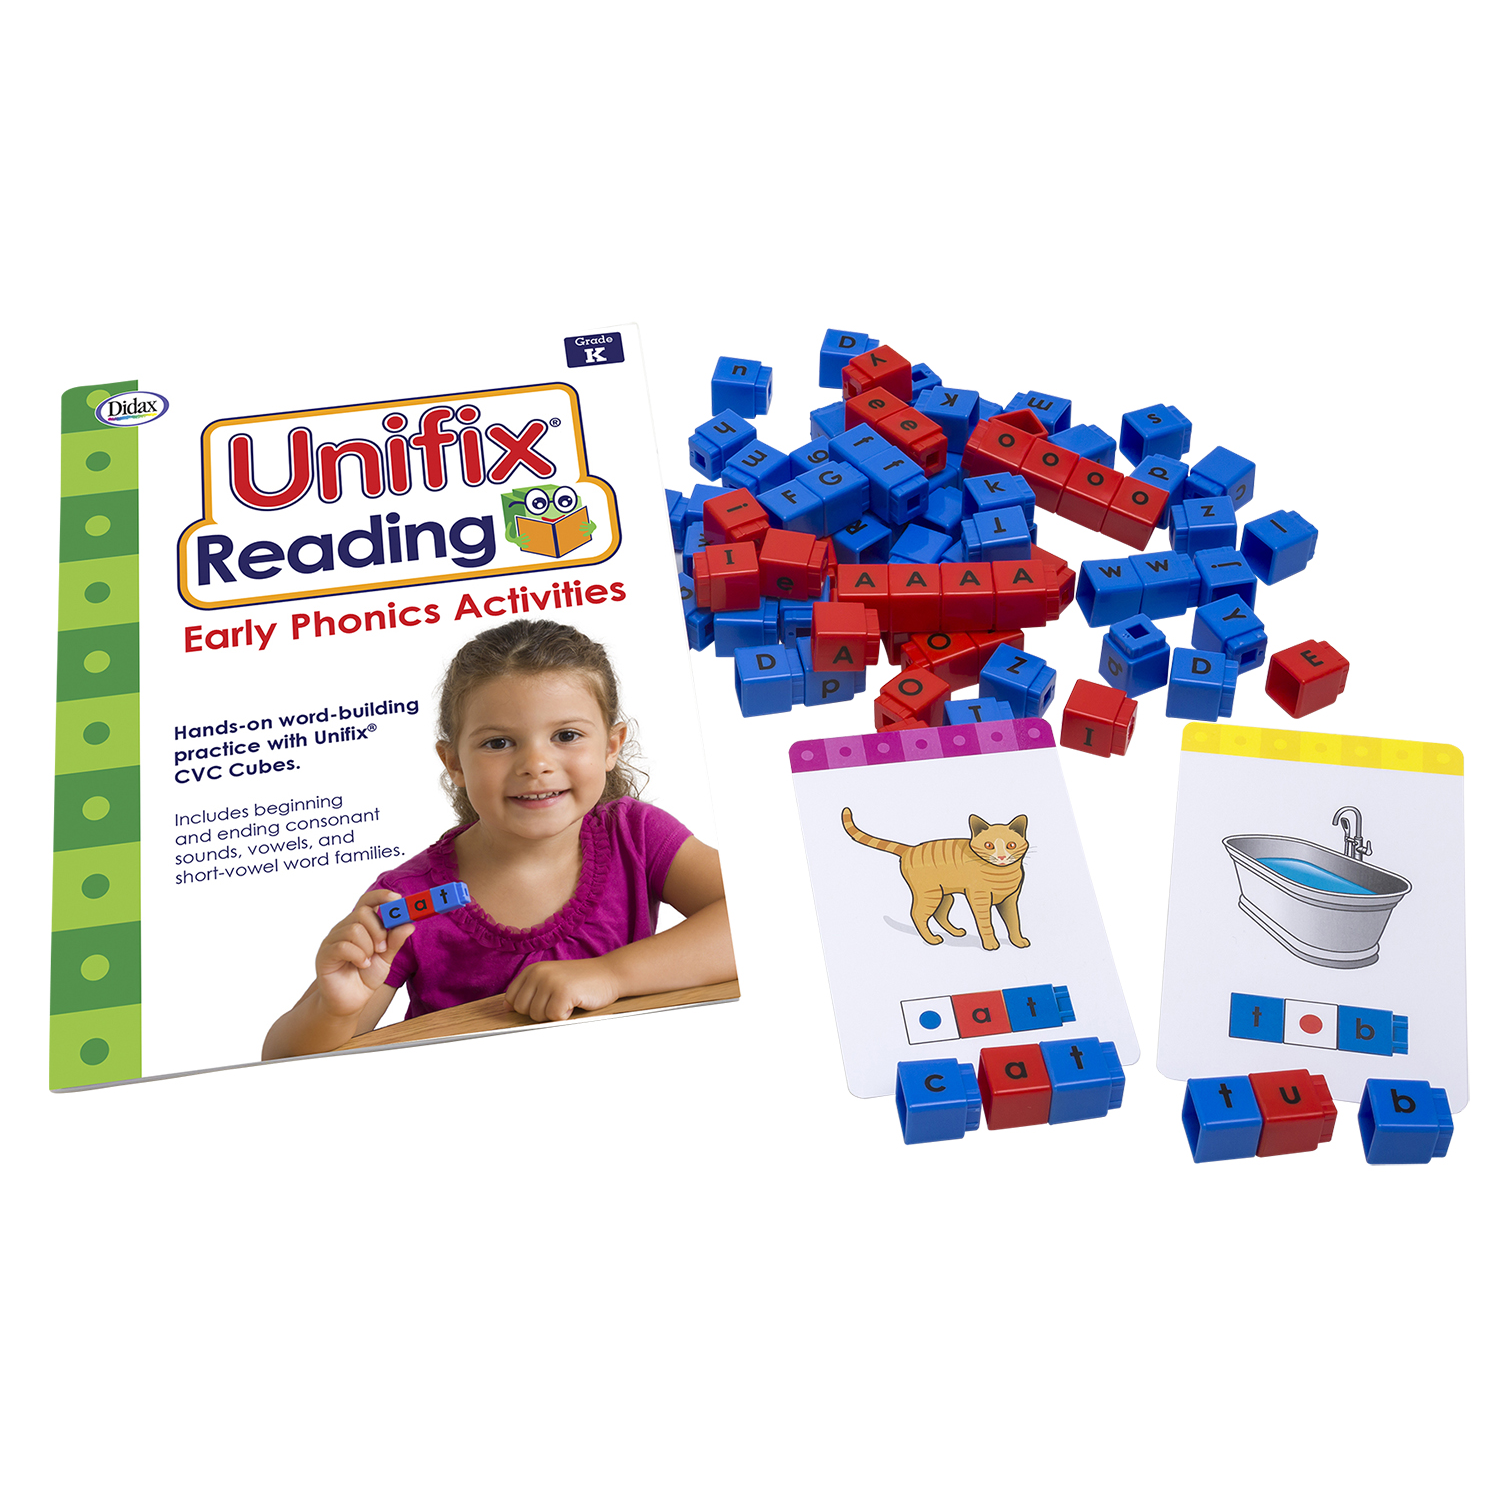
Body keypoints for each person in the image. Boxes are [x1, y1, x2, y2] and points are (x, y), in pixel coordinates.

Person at [263, 620, 734, 1058]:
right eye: (498, 743)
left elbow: (753, 916)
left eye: (566, 735)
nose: (536, 764)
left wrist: (609, 975)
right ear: (454, 762)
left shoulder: (637, 834)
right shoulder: (407, 898)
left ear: (611, 746)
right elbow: (281, 1063)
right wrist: (334, 1009)